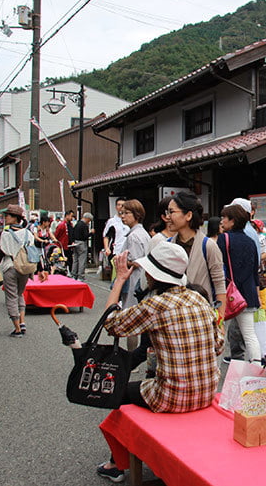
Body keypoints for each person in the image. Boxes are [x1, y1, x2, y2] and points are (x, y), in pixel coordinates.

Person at [96, 244, 224, 482]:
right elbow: (219, 345)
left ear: (153, 275)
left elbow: (110, 323)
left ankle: (116, 463)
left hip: (171, 396)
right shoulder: (199, 298)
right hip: (207, 392)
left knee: (116, 390)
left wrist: (120, 279)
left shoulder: (156, 305)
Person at [165, 191, 226, 317]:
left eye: (171, 212)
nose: (168, 217)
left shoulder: (208, 246)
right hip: (172, 316)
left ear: (188, 215)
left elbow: (219, 284)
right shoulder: (167, 246)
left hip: (200, 315)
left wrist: (219, 320)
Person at [217, 204, 261, 363]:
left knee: (219, 333)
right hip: (247, 294)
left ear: (232, 221)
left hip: (227, 293)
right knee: (250, 335)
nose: (222, 221)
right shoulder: (250, 241)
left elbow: (217, 266)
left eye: (224, 218)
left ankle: (213, 371)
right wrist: (256, 295)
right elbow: (254, 271)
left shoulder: (224, 238)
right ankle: (256, 367)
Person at [0, 205, 35, 337]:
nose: (5, 218)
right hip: (25, 268)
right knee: (20, 294)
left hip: (10, 266)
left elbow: (1, 252)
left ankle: (17, 327)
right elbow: (33, 251)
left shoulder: (6, 234)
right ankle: (22, 322)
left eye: (7, 215)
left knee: (11, 296)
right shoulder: (28, 233)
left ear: (15, 218)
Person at [119, 199, 151, 350]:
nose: (122, 216)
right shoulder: (143, 233)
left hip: (134, 281)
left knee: (132, 321)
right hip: (142, 281)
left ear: (136, 215)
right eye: (122, 213)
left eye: (126, 213)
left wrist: (122, 260)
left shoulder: (134, 236)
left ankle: (131, 356)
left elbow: (138, 261)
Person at [103, 198, 130, 264]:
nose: (121, 207)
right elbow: (106, 236)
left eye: (123, 205)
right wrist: (106, 248)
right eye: (119, 205)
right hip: (115, 250)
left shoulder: (130, 220)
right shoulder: (111, 221)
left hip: (128, 251)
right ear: (116, 207)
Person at [71, 212, 93, 281]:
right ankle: (80, 276)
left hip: (75, 243)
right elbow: (85, 236)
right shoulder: (84, 225)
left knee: (75, 260)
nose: (89, 222)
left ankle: (73, 275)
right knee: (82, 260)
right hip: (82, 244)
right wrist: (91, 233)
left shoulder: (77, 224)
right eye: (89, 220)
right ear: (87, 218)